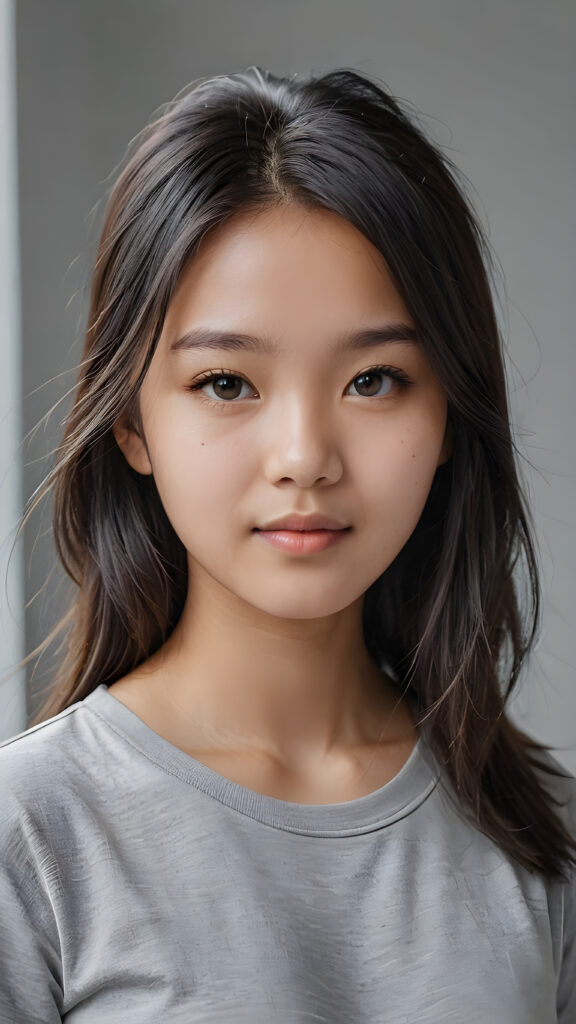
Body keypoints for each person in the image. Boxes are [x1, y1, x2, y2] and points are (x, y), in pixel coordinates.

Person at [0, 65, 574, 1023]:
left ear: (450, 416)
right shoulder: (32, 839)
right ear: (131, 423)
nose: (305, 457)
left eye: (374, 380)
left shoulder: (543, 836)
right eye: (227, 384)